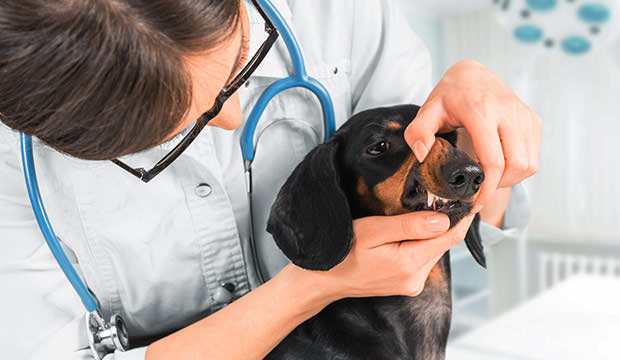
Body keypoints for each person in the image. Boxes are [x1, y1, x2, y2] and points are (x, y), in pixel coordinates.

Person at [0, 0, 540, 359]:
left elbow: (466, 224)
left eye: (241, 60)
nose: (235, 116)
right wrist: (314, 284)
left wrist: (481, 131)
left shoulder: (332, 11)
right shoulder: (17, 158)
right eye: (175, 124)